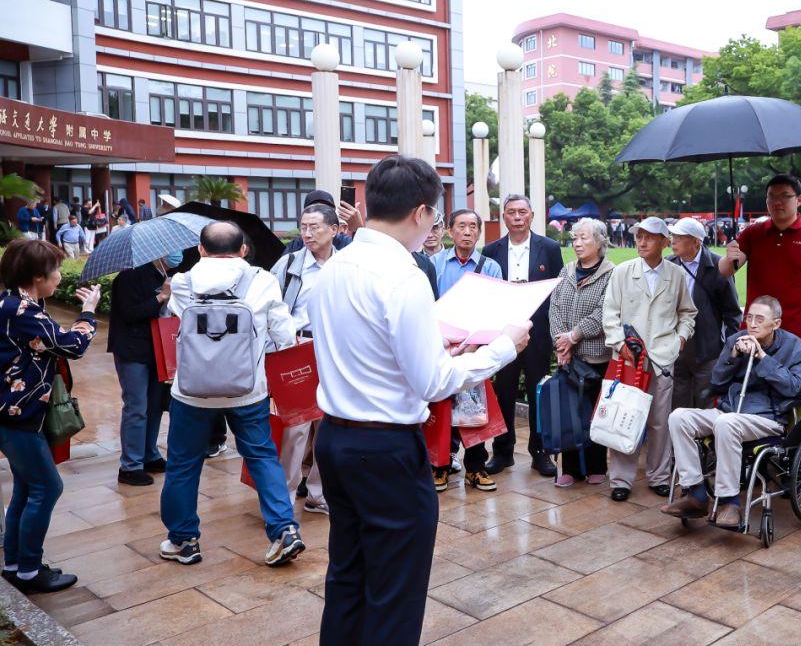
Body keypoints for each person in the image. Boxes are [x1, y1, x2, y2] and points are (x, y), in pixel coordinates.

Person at [307, 155, 529, 645]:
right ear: (422, 213)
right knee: (395, 590)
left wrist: (436, 347)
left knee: (348, 575)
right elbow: (432, 381)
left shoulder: (335, 266)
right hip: (384, 450)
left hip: (337, 440)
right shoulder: (402, 275)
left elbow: (370, 349)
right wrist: (500, 348)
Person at [160, 221, 304, 568]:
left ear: (200, 250)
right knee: (262, 458)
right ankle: (283, 530)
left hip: (192, 393)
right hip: (248, 390)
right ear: (243, 250)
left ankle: (183, 541)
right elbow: (284, 337)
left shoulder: (183, 282)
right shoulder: (262, 280)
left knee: (182, 464)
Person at [0, 239, 99, 593]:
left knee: (28, 488)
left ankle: (15, 564)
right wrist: (89, 312)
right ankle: (28, 570)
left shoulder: (17, 305)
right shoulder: (21, 312)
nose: (59, 276)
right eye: (56, 270)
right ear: (38, 276)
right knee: (47, 486)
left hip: (19, 412)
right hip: (19, 414)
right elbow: (73, 345)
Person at [662, 296, 801, 526]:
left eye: (760, 319)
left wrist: (762, 357)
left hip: (766, 418)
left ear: (776, 324)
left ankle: (729, 501)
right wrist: (732, 357)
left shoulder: (795, 348)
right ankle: (695, 492)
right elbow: (717, 383)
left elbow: (797, 389)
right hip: (729, 411)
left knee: (726, 423)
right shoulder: (736, 340)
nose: (752, 323)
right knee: (678, 417)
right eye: (749, 317)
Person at [602, 216, 697, 501]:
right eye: (639, 236)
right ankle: (620, 480)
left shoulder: (676, 275)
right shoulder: (622, 272)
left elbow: (688, 312)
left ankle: (659, 476)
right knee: (625, 417)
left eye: (650, 237)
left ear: (664, 242)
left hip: (662, 358)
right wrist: (619, 344)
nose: (642, 242)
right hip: (629, 359)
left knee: (659, 421)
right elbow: (610, 313)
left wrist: (680, 338)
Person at [481, 195, 565, 477]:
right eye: (511, 212)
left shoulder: (550, 248)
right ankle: (503, 451)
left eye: (522, 212)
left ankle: (540, 453)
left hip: (537, 332)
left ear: (531, 215)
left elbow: (558, 292)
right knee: (503, 391)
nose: (517, 217)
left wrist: (556, 333)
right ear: (503, 216)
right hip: (503, 332)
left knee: (537, 392)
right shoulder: (490, 250)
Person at [270, 204, 338, 515]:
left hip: (334, 351)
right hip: (297, 348)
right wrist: (284, 340)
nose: (307, 233)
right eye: (303, 226)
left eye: (315, 227)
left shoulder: (346, 265)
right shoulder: (288, 265)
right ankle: (283, 495)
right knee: (295, 428)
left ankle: (318, 492)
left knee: (329, 425)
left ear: (334, 230)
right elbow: (270, 308)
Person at [431, 208, 504, 491]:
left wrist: (474, 345)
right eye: (461, 226)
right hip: (442, 348)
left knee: (475, 409)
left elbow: (495, 310)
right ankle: (440, 465)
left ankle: (476, 468)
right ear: (450, 230)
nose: (467, 231)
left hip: (477, 348)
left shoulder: (490, 266)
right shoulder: (434, 264)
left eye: (473, 227)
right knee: (441, 409)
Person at [717, 174, 801, 349]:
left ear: (799, 200)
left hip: (793, 332)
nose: (777, 202)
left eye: (785, 196)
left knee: (786, 376)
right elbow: (726, 271)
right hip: (754, 330)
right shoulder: (752, 234)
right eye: (771, 197)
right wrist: (729, 257)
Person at [548, 217, 614, 487]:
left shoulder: (612, 273)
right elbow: (554, 306)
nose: (577, 243)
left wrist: (574, 336)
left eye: (584, 237)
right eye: (574, 238)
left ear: (600, 241)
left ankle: (597, 465)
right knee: (568, 412)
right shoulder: (566, 270)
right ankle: (570, 469)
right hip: (568, 357)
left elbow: (605, 311)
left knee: (593, 412)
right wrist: (561, 342)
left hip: (595, 357)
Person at [109, 255, 180, 486]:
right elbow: (129, 313)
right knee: (136, 407)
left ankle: (150, 455)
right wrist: (161, 297)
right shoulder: (129, 276)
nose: (176, 253)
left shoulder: (163, 275)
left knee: (155, 406)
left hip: (157, 349)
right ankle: (130, 466)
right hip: (132, 350)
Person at [668, 217, 742, 410]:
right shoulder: (669, 264)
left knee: (705, 407)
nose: (673, 240)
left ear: (696, 241)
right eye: (673, 235)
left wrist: (729, 350)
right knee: (677, 408)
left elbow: (732, 313)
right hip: (675, 350)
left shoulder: (718, 266)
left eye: (679, 236)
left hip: (708, 351)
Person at [283, 190, 356, 254]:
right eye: (314, 209)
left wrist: (357, 228)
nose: (308, 235)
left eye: (324, 210)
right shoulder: (294, 247)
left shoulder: (345, 243)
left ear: (334, 229)